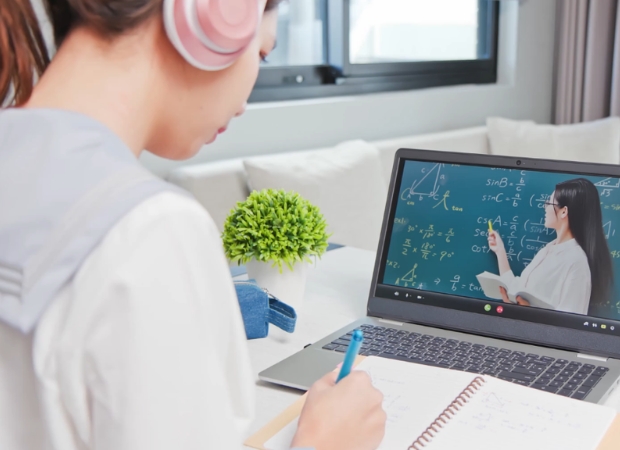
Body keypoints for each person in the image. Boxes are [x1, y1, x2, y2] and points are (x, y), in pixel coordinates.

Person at [0, 1, 386, 449]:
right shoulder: (150, 231)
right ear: (215, 14)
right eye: (261, 55)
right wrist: (324, 441)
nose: (244, 105)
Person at [486, 178, 613, 315]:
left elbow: (569, 323)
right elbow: (518, 290)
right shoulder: (548, 249)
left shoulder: (577, 263)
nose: (545, 208)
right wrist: (500, 251)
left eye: (549, 203)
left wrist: (528, 313)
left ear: (564, 211)